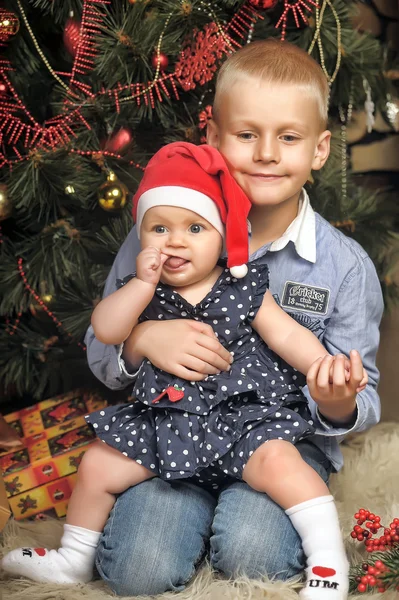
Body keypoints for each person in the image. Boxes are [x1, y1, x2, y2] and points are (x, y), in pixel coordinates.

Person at [1, 142, 368, 600]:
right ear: (142, 236)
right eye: (158, 228)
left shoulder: (244, 285)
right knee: (97, 463)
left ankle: (329, 566)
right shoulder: (144, 291)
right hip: (168, 425)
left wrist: (321, 366)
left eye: (195, 227)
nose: (174, 241)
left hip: (238, 421)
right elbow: (106, 327)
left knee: (282, 463)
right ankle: (73, 560)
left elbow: (287, 336)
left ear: (223, 236)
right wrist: (141, 287)